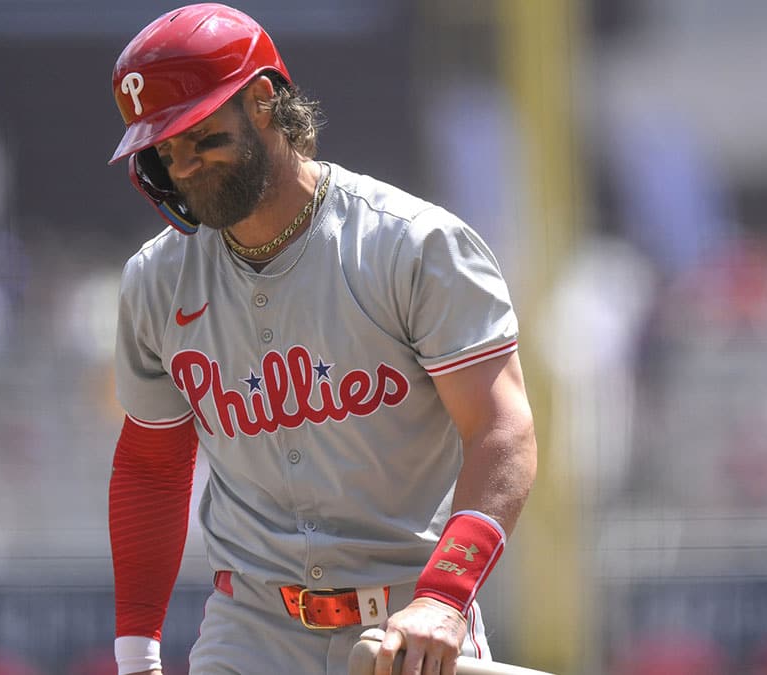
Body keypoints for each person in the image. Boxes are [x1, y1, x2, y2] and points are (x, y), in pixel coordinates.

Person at [105, 5, 537, 675]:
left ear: (261, 102)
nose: (182, 165)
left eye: (198, 135)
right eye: (164, 148)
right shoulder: (157, 280)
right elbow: (152, 464)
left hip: (408, 622)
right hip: (248, 627)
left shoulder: (413, 245)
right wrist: (137, 653)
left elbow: (501, 429)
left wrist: (445, 598)